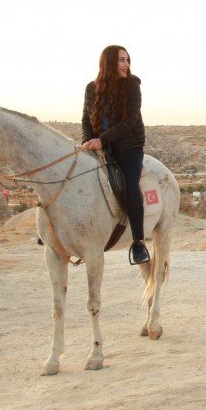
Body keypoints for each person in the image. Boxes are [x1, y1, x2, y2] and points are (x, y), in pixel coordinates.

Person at [80, 45, 149, 264]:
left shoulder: (132, 85)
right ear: (109, 62)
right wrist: (87, 141)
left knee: (130, 185)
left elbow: (130, 121)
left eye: (127, 60)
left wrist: (103, 140)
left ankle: (138, 242)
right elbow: (85, 119)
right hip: (100, 146)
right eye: (121, 60)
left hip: (129, 146)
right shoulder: (92, 88)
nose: (126, 65)